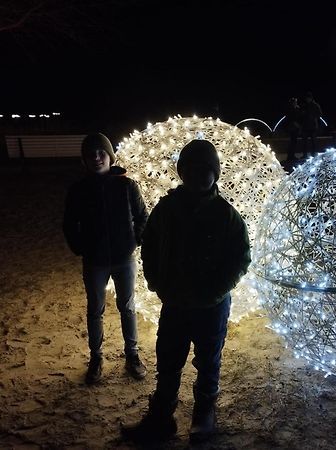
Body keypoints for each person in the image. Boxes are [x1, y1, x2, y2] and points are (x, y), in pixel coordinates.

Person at [121, 139, 251, 445]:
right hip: (175, 303)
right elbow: (149, 245)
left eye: (206, 169)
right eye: (191, 168)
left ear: (216, 173)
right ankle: (161, 417)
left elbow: (241, 257)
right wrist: (156, 282)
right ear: (182, 172)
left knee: (208, 362)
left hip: (211, 307)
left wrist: (218, 290)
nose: (199, 175)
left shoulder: (226, 215)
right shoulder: (166, 209)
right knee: (168, 360)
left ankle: (203, 415)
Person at [63, 133, 148, 385]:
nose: (96, 157)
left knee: (128, 307)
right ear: (85, 160)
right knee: (95, 310)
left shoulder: (127, 186)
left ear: (110, 156)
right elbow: (69, 223)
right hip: (95, 261)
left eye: (101, 152)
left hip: (124, 259)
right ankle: (96, 357)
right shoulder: (79, 190)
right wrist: (81, 248)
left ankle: (132, 355)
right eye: (91, 154)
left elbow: (143, 216)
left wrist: (134, 241)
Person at [300, 91, 322, 157]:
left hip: (313, 126)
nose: (307, 99)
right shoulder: (304, 105)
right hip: (305, 126)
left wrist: (313, 116)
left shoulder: (315, 105)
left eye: (308, 98)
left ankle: (313, 154)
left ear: (311, 98)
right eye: (306, 98)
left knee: (313, 142)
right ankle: (305, 155)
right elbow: (301, 115)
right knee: (305, 142)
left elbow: (320, 114)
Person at [284, 96, 302, 161]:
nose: (295, 103)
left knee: (293, 142)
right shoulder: (291, 109)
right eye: (295, 102)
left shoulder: (295, 108)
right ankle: (290, 157)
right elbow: (292, 118)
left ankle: (291, 156)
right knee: (293, 142)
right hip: (293, 127)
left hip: (294, 127)